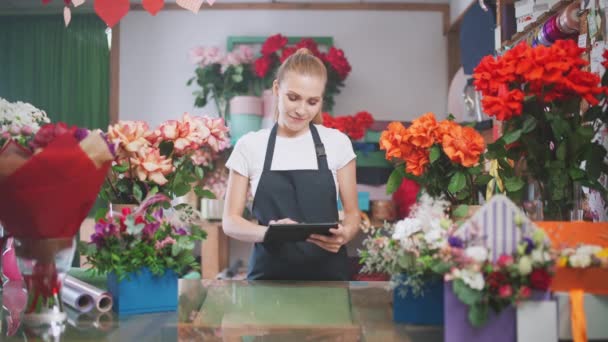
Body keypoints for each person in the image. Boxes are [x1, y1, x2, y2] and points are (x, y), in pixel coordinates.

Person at [222, 48, 360, 281]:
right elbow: (230, 221)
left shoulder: (337, 143)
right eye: (293, 97)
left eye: (312, 101)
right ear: (277, 89)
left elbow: (352, 214)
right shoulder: (250, 146)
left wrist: (345, 234)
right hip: (268, 280)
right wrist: (270, 233)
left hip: (328, 278)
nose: (301, 110)